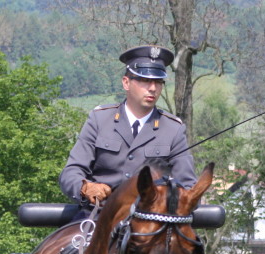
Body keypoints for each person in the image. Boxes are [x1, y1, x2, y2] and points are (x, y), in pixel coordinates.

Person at [58, 45, 196, 210]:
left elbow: (188, 186)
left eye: (158, 82)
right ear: (126, 83)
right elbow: (71, 172)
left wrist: (164, 199)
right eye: (145, 80)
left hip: (151, 223)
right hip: (99, 215)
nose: (153, 88)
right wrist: (85, 188)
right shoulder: (99, 119)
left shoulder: (173, 129)